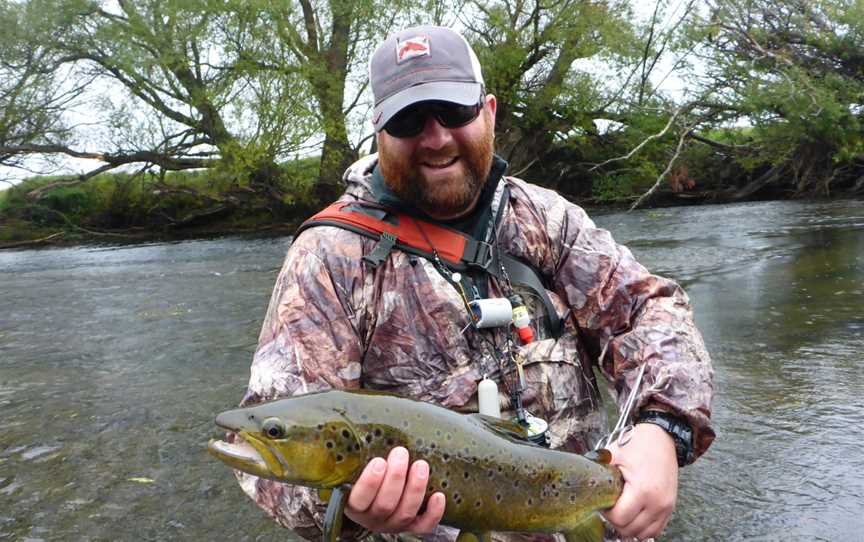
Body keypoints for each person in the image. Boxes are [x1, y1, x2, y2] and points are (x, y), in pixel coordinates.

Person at [234, 25, 714, 542]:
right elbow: (274, 468)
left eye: (455, 112)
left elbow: (652, 311)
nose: (436, 137)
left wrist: (663, 432)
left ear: (488, 110)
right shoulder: (329, 259)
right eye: (409, 119)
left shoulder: (548, 220)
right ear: (379, 130)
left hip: (586, 518)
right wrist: (350, 507)